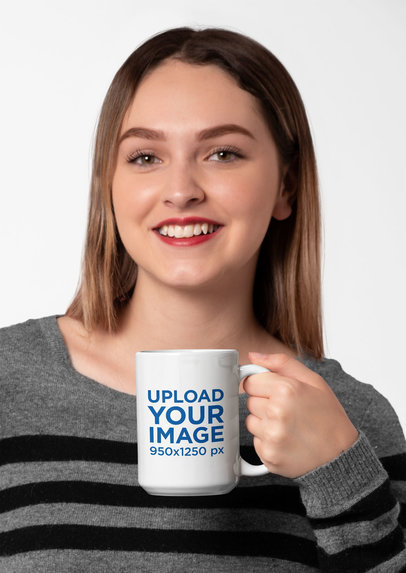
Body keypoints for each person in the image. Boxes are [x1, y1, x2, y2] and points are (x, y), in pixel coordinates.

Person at [0, 26, 405, 572]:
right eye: (146, 157)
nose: (182, 189)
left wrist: (337, 470)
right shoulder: (9, 380)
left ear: (286, 187)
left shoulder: (351, 422)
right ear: (109, 186)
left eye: (222, 152)